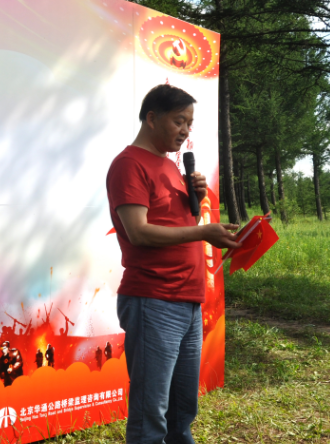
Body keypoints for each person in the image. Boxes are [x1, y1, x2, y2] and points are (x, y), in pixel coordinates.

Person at [106, 84, 241, 443]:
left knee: (182, 410)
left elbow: (177, 226)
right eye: (179, 121)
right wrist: (203, 232)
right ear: (152, 118)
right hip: (153, 300)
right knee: (151, 414)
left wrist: (197, 200)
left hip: (187, 300)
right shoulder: (129, 165)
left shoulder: (169, 165)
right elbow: (139, 233)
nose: (185, 131)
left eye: (189, 124)